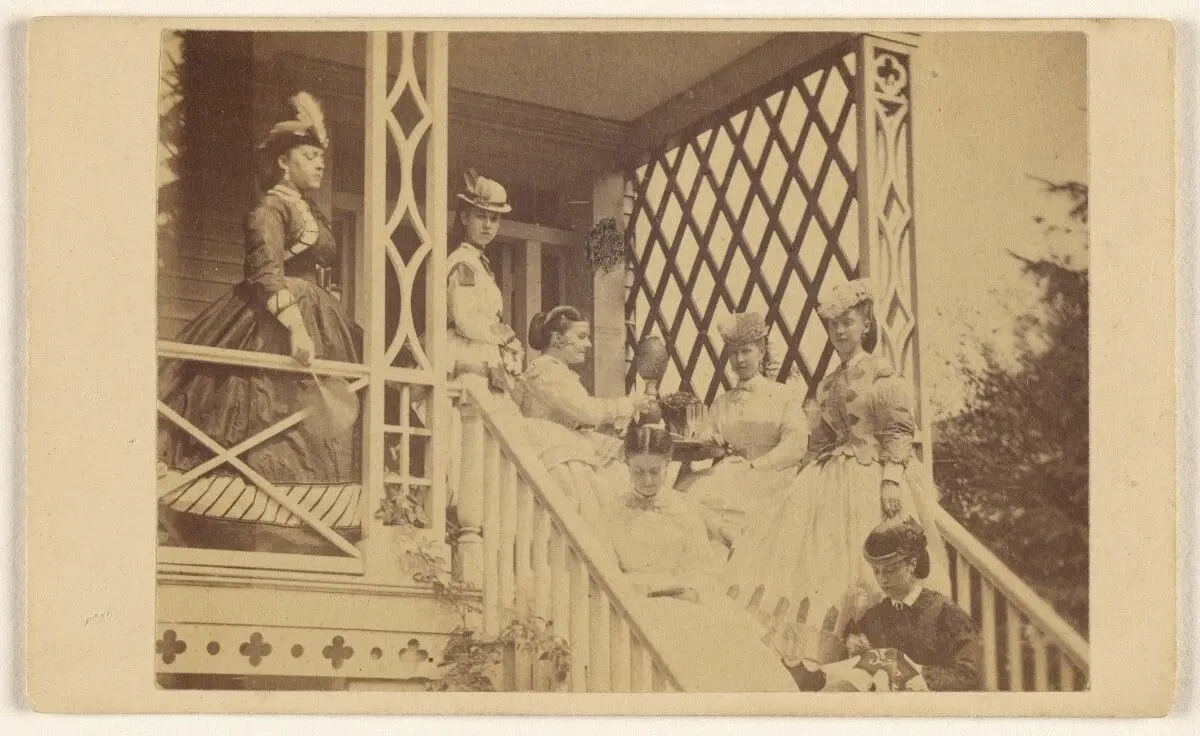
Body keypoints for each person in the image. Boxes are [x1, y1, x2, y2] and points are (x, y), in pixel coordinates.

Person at [157, 92, 364, 554]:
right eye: (309, 156)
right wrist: (295, 326)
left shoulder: (308, 209)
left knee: (324, 415)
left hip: (317, 314)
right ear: (283, 162)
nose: (319, 165)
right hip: (273, 321)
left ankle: (325, 524)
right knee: (264, 413)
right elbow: (265, 271)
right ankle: (266, 525)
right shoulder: (269, 210)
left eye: (321, 158)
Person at [722, 278, 951, 665]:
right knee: (823, 561)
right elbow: (822, 438)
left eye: (847, 322)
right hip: (831, 479)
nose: (840, 332)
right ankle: (835, 655)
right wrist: (802, 476)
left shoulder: (882, 374)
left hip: (872, 477)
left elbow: (897, 428)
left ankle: (886, 647)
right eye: (833, 325)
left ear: (865, 325)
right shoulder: (829, 383)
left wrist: (892, 476)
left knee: (871, 559)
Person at [604, 427, 799, 692]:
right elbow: (604, 565)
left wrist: (686, 587)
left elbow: (700, 562)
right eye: (638, 471)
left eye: (655, 471)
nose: (647, 480)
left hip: (682, 595)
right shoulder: (612, 512)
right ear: (627, 465)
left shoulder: (681, 508)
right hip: (634, 600)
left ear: (666, 466)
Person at [788, 519, 983, 692]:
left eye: (890, 570)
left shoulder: (945, 613)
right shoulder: (874, 615)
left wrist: (912, 670)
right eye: (877, 571)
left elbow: (970, 676)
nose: (882, 579)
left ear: (912, 564)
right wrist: (856, 647)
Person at [675, 312, 808, 544]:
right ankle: (727, 537)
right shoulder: (721, 403)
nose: (740, 359)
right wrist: (713, 444)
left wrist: (758, 466)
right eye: (733, 353)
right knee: (683, 492)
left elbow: (796, 445)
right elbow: (704, 443)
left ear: (761, 352)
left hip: (773, 475)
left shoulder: (783, 395)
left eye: (746, 351)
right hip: (731, 473)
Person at [513, 305, 657, 518]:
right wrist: (627, 404)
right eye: (581, 337)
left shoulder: (558, 371)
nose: (588, 344)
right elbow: (587, 410)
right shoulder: (545, 371)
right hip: (545, 449)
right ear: (556, 339)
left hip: (561, 442)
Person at [445, 169, 523, 402]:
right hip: (464, 351)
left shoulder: (480, 264)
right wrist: (505, 337)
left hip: (483, 351)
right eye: (481, 216)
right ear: (464, 218)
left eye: (494, 218)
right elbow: (466, 321)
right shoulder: (463, 262)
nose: (488, 225)